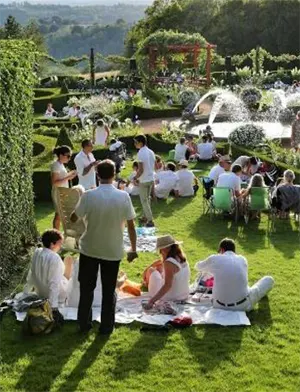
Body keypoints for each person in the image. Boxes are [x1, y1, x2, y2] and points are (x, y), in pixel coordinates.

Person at [70, 160, 138, 335]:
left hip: (89, 248)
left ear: (98, 175)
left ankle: (83, 324)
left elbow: (72, 218)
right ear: (114, 174)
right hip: (111, 249)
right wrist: (133, 249)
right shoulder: (123, 196)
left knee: (87, 288)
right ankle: (106, 327)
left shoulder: (88, 196)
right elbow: (131, 225)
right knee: (109, 290)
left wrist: (81, 210)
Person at [195, 238, 274, 311]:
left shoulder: (214, 258)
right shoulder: (242, 259)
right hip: (243, 306)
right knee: (269, 279)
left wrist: (212, 262)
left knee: (207, 273)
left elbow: (198, 266)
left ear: (222, 250)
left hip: (218, 306)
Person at [24, 229, 74, 311]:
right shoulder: (55, 258)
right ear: (52, 244)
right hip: (57, 295)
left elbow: (31, 274)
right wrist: (53, 307)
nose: (61, 246)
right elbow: (54, 284)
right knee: (69, 261)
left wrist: (25, 292)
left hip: (40, 293)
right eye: (59, 243)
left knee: (66, 263)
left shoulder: (37, 252)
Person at [143, 235, 190, 309]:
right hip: (183, 294)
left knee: (151, 270)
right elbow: (162, 262)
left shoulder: (169, 263)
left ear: (164, 249)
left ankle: (147, 284)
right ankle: (147, 283)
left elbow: (167, 286)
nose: (160, 252)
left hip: (170, 297)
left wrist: (151, 301)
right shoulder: (181, 257)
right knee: (159, 267)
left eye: (160, 250)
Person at [51, 145, 77, 230]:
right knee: (59, 214)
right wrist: (68, 177)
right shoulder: (56, 165)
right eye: (68, 156)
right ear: (61, 155)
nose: (69, 158)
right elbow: (54, 183)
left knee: (60, 214)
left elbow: (61, 178)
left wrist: (70, 174)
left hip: (62, 192)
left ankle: (56, 233)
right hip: (58, 192)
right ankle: (55, 234)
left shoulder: (60, 164)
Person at [134, 135, 156, 227]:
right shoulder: (151, 151)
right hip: (151, 178)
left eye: (135, 142)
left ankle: (150, 220)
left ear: (140, 142)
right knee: (147, 199)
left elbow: (141, 169)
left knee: (144, 200)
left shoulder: (141, 152)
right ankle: (145, 217)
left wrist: (135, 178)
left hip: (144, 180)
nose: (134, 144)